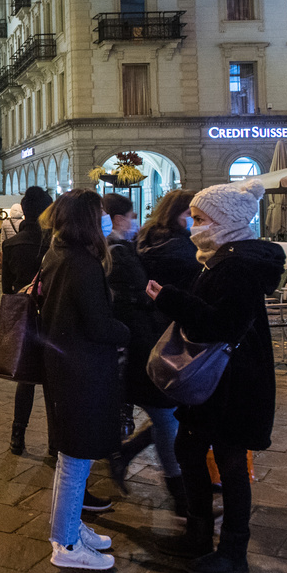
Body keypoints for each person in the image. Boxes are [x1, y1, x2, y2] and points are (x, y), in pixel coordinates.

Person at [147, 180, 284, 573]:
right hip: (217, 383)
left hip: (234, 385)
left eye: (201, 218)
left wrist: (170, 299)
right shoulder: (218, 258)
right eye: (192, 216)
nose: (193, 225)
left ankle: (232, 553)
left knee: (229, 465)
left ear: (224, 222)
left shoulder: (237, 266)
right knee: (188, 449)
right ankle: (198, 533)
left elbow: (223, 324)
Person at [39, 189, 129, 571]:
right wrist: (127, 331)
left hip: (64, 368)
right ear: (88, 221)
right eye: (100, 214)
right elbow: (98, 325)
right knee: (77, 458)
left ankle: (70, 526)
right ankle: (67, 544)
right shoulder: (83, 265)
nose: (106, 220)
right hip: (83, 371)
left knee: (71, 456)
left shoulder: (57, 254)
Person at [102, 193, 186, 517]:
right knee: (167, 415)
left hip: (142, 343)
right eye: (131, 214)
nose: (135, 219)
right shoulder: (119, 251)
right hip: (140, 345)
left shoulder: (130, 248)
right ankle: (178, 491)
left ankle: (128, 456)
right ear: (119, 218)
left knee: (168, 415)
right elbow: (131, 300)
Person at [1, 186, 54, 456]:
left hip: (24, 315)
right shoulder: (54, 242)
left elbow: (7, 288)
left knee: (26, 379)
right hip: (52, 316)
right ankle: (54, 443)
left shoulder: (11, 244)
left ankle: (17, 437)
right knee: (53, 381)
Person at [137, 189, 200, 290]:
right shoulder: (183, 245)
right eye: (190, 213)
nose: (194, 219)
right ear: (174, 214)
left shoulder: (147, 236)